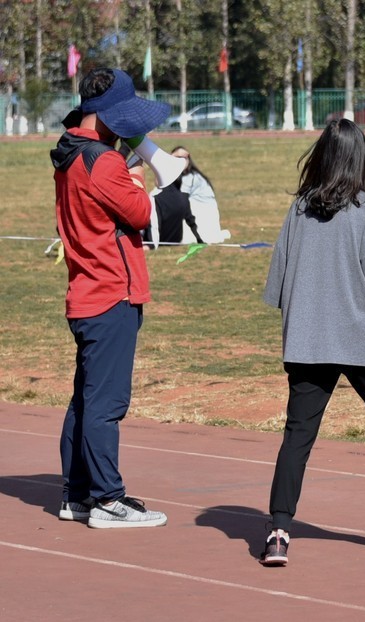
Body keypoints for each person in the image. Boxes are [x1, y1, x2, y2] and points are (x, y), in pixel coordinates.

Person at [261, 119, 365, 566]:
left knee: (297, 435)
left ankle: (278, 532)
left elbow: (278, 286)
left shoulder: (298, 210)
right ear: (361, 158)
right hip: (359, 338)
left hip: (307, 339)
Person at [51, 67, 169, 529]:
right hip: (110, 296)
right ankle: (106, 499)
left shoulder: (70, 155)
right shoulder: (104, 162)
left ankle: (77, 494)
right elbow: (139, 212)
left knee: (85, 399)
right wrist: (137, 170)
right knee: (107, 404)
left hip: (85, 293)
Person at [170, 147, 228, 243]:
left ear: (188, 159)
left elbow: (182, 201)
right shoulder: (188, 175)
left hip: (202, 215)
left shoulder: (190, 177)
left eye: (183, 157)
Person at [143, 174, 203, 248]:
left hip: (158, 241)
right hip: (176, 241)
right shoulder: (183, 197)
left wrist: (151, 245)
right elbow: (191, 222)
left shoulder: (155, 197)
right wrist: (200, 240)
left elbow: (154, 224)